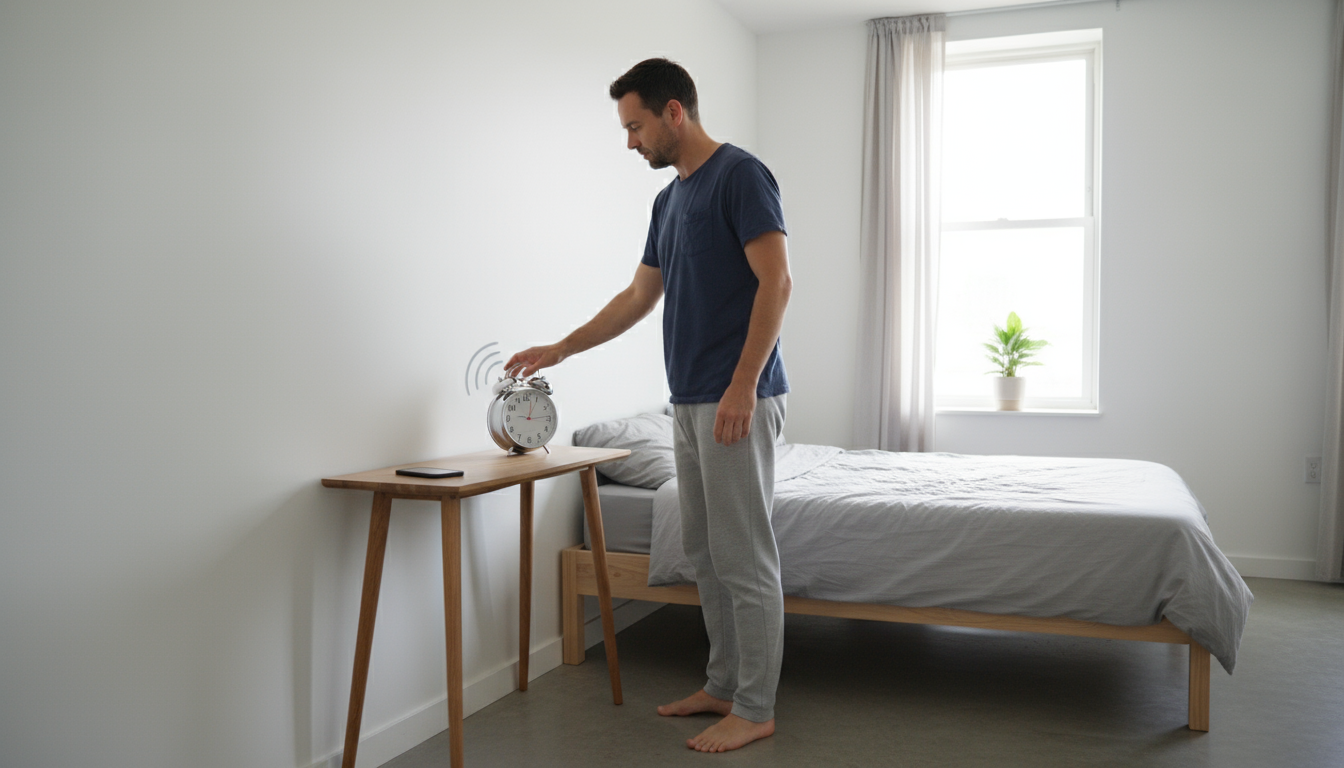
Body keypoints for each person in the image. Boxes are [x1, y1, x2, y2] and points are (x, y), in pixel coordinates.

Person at [506, 57, 791, 754]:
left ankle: (755, 707)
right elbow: (639, 296)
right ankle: (723, 684)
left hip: (735, 397)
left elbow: (777, 283)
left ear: (674, 112)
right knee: (706, 553)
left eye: (635, 127)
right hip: (686, 402)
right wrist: (562, 347)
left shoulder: (740, 175)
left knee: (744, 556)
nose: (630, 142)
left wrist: (743, 384)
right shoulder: (668, 203)